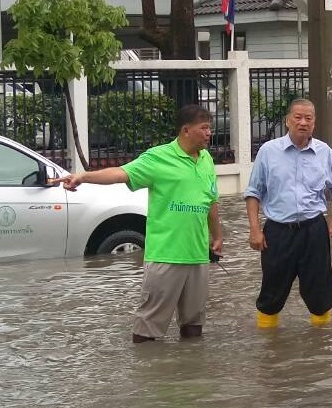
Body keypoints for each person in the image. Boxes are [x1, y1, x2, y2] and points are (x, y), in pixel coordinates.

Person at [60, 104, 221, 342]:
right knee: (148, 328)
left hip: (197, 256)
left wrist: (217, 236)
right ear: (186, 130)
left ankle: (190, 373)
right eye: (204, 128)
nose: (209, 133)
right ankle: (147, 374)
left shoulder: (206, 159)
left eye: (210, 128)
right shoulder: (158, 157)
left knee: (194, 325)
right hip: (166, 255)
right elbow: (120, 173)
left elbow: (211, 201)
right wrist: (84, 177)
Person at [245, 98, 332, 328]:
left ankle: (322, 348)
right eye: (298, 118)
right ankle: (270, 350)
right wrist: (254, 230)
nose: (303, 123)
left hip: (314, 230)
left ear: (314, 123)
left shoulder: (324, 152)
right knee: (271, 293)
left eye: (308, 119)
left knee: (320, 293)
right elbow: (254, 193)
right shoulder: (268, 151)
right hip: (278, 232)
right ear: (288, 121)